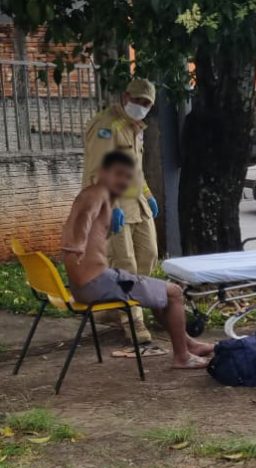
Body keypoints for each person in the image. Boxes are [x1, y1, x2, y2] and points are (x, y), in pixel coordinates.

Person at [62, 151, 214, 369]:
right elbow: (85, 217)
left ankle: (189, 344)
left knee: (156, 291)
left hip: (84, 285)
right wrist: (77, 242)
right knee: (174, 293)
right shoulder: (98, 195)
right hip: (96, 283)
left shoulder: (86, 194)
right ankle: (182, 356)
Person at [81, 77, 160, 353]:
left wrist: (148, 194)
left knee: (149, 256)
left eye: (147, 104)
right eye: (139, 101)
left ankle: (116, 309)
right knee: (124, 264)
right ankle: (133, 322)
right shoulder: (106, 125)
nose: (142, 107)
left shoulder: (135, 127)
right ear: (126, 96)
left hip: (136, 204)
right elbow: (96, 171)